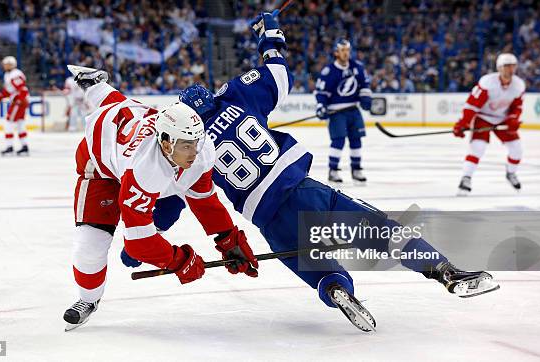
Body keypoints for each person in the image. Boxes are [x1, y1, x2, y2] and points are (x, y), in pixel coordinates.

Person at [145, 13, 498, 332]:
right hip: (301, 190)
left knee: (316, 268)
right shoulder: (236, 96)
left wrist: (152, 239)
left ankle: (336, 289)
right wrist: (270, 35)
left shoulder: (188, 145)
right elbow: (280, 75)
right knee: (383, 232)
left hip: (266, 218)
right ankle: (445, 272)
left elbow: (172, 204)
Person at [62, 65, 258, 331]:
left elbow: (203, 198)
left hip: (128, 115)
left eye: (196, 142)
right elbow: (136, 242)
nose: (194, 152)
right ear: (166, 143)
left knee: (115, 103)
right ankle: (87, 300)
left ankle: (95, 84)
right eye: (186, 145)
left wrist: (228, 238)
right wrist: (179, 261)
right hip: (99, 165)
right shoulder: (144, 168)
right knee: (90, 246)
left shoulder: (200, 149)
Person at [453, 53, 525, 195]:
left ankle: (511, 173)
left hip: (503, 119)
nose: (510, 70)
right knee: (478, 148)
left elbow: (517, 107)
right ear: (499, 68)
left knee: (517, 149)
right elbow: (472, 105)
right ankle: (466, 178)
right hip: (483, 118)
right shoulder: (488, 82)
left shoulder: (519, 85)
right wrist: (463, 123)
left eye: (513, 66)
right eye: (507, 66)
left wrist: (513, 119)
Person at [314, 38, 372, 184]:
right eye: (342, 50)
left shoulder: (357, 67)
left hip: (353, 109)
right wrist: (321, 106)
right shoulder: (329, 72)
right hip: (336, 112)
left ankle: (356, 169)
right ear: (336, 53)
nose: (346, 53)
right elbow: (321, 93)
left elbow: (364, 84)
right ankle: (333, 170)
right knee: (338, 140)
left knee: (356, 140)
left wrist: (365, 97)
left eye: (347, 50)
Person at [0, 56, 30, 156]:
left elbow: (22, 89)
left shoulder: (15, 74)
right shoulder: (8, 74)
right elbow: (10, 90)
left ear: (11, 64)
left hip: (19, 102)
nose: (4, 66)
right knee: (20, 124)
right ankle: (24, 146)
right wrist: (1, 96)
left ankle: (9, 147)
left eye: (6, 64)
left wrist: (19, 100)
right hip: (20, 101)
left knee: (8, 122)